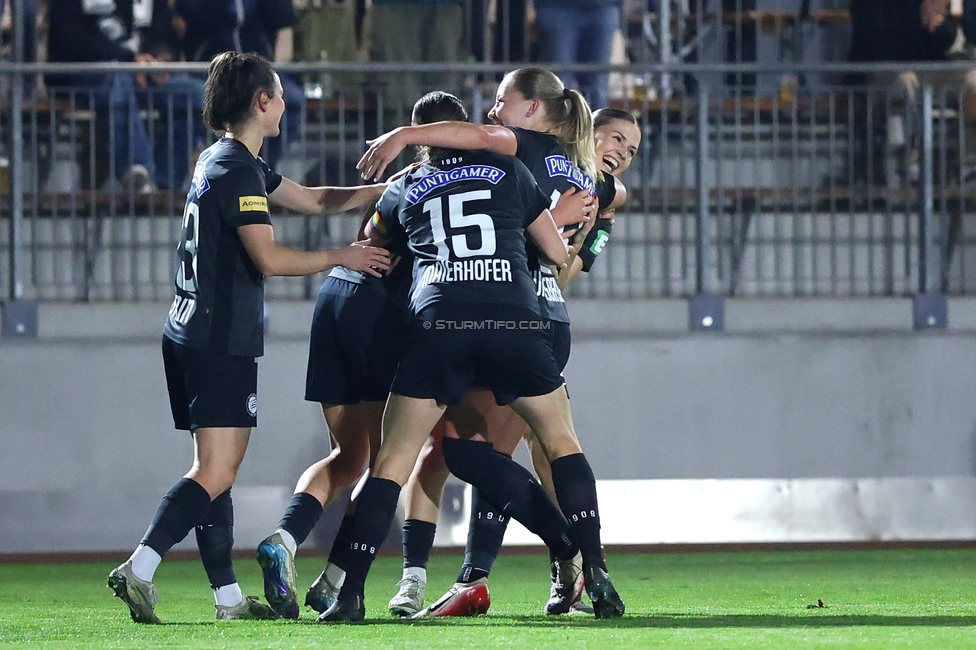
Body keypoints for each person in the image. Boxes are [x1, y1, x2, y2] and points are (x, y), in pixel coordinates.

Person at [105, 51, 390, 624]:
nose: (285, 104)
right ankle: (139, 566)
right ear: (262, 102)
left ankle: (229, 599)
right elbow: (268, 257)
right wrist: (345, 256)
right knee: (214, 472)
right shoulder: (237, 170)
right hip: (217, 336)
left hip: (190, 329)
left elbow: (312, 197)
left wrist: (390, 185)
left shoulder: (226, 159)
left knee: (216, 470)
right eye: (280, 94)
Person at [317, 97, 624, 624]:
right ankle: (591, 568)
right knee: (559, 441)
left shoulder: (403, 188)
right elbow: (554, 252)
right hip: (515, 318)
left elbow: (372, 244)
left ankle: (352, 594)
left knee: (394, 461)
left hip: (439, 322)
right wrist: (578, 226)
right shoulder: (510, 168)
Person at [253, 90, 468, 621]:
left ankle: (287, 540)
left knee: (348, 457)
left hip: (335, 301)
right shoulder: (456, 185)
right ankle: (341, 580)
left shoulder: (401, 183)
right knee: (385, 463)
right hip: (379, 311)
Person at [46, 0, 206, 190]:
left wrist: (157, 59)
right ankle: (137, 173)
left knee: (197, 94)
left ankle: (164, 184)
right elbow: (71, 38)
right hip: (82, 73)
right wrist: (130, 60)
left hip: (140, 74)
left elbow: (164, 34)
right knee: (116, 76)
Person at [175, 0, 305, 171]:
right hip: (209, 73)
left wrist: (274, 72)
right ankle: (223, 164)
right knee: (200, 101)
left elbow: (283, 25)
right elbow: (185, 20)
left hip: (259, 71)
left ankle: (260, 169)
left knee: (293, 100)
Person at [369, 0, 465, 116]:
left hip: (447, 6)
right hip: (394, 5)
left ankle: (446, 128)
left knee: (445, 93)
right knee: (399, 90)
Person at [532, 0, 623, 112]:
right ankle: (565, 127)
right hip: (556, 7)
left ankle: (595, 127)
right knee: (559, 83)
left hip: (603, 6)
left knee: (597, 86)